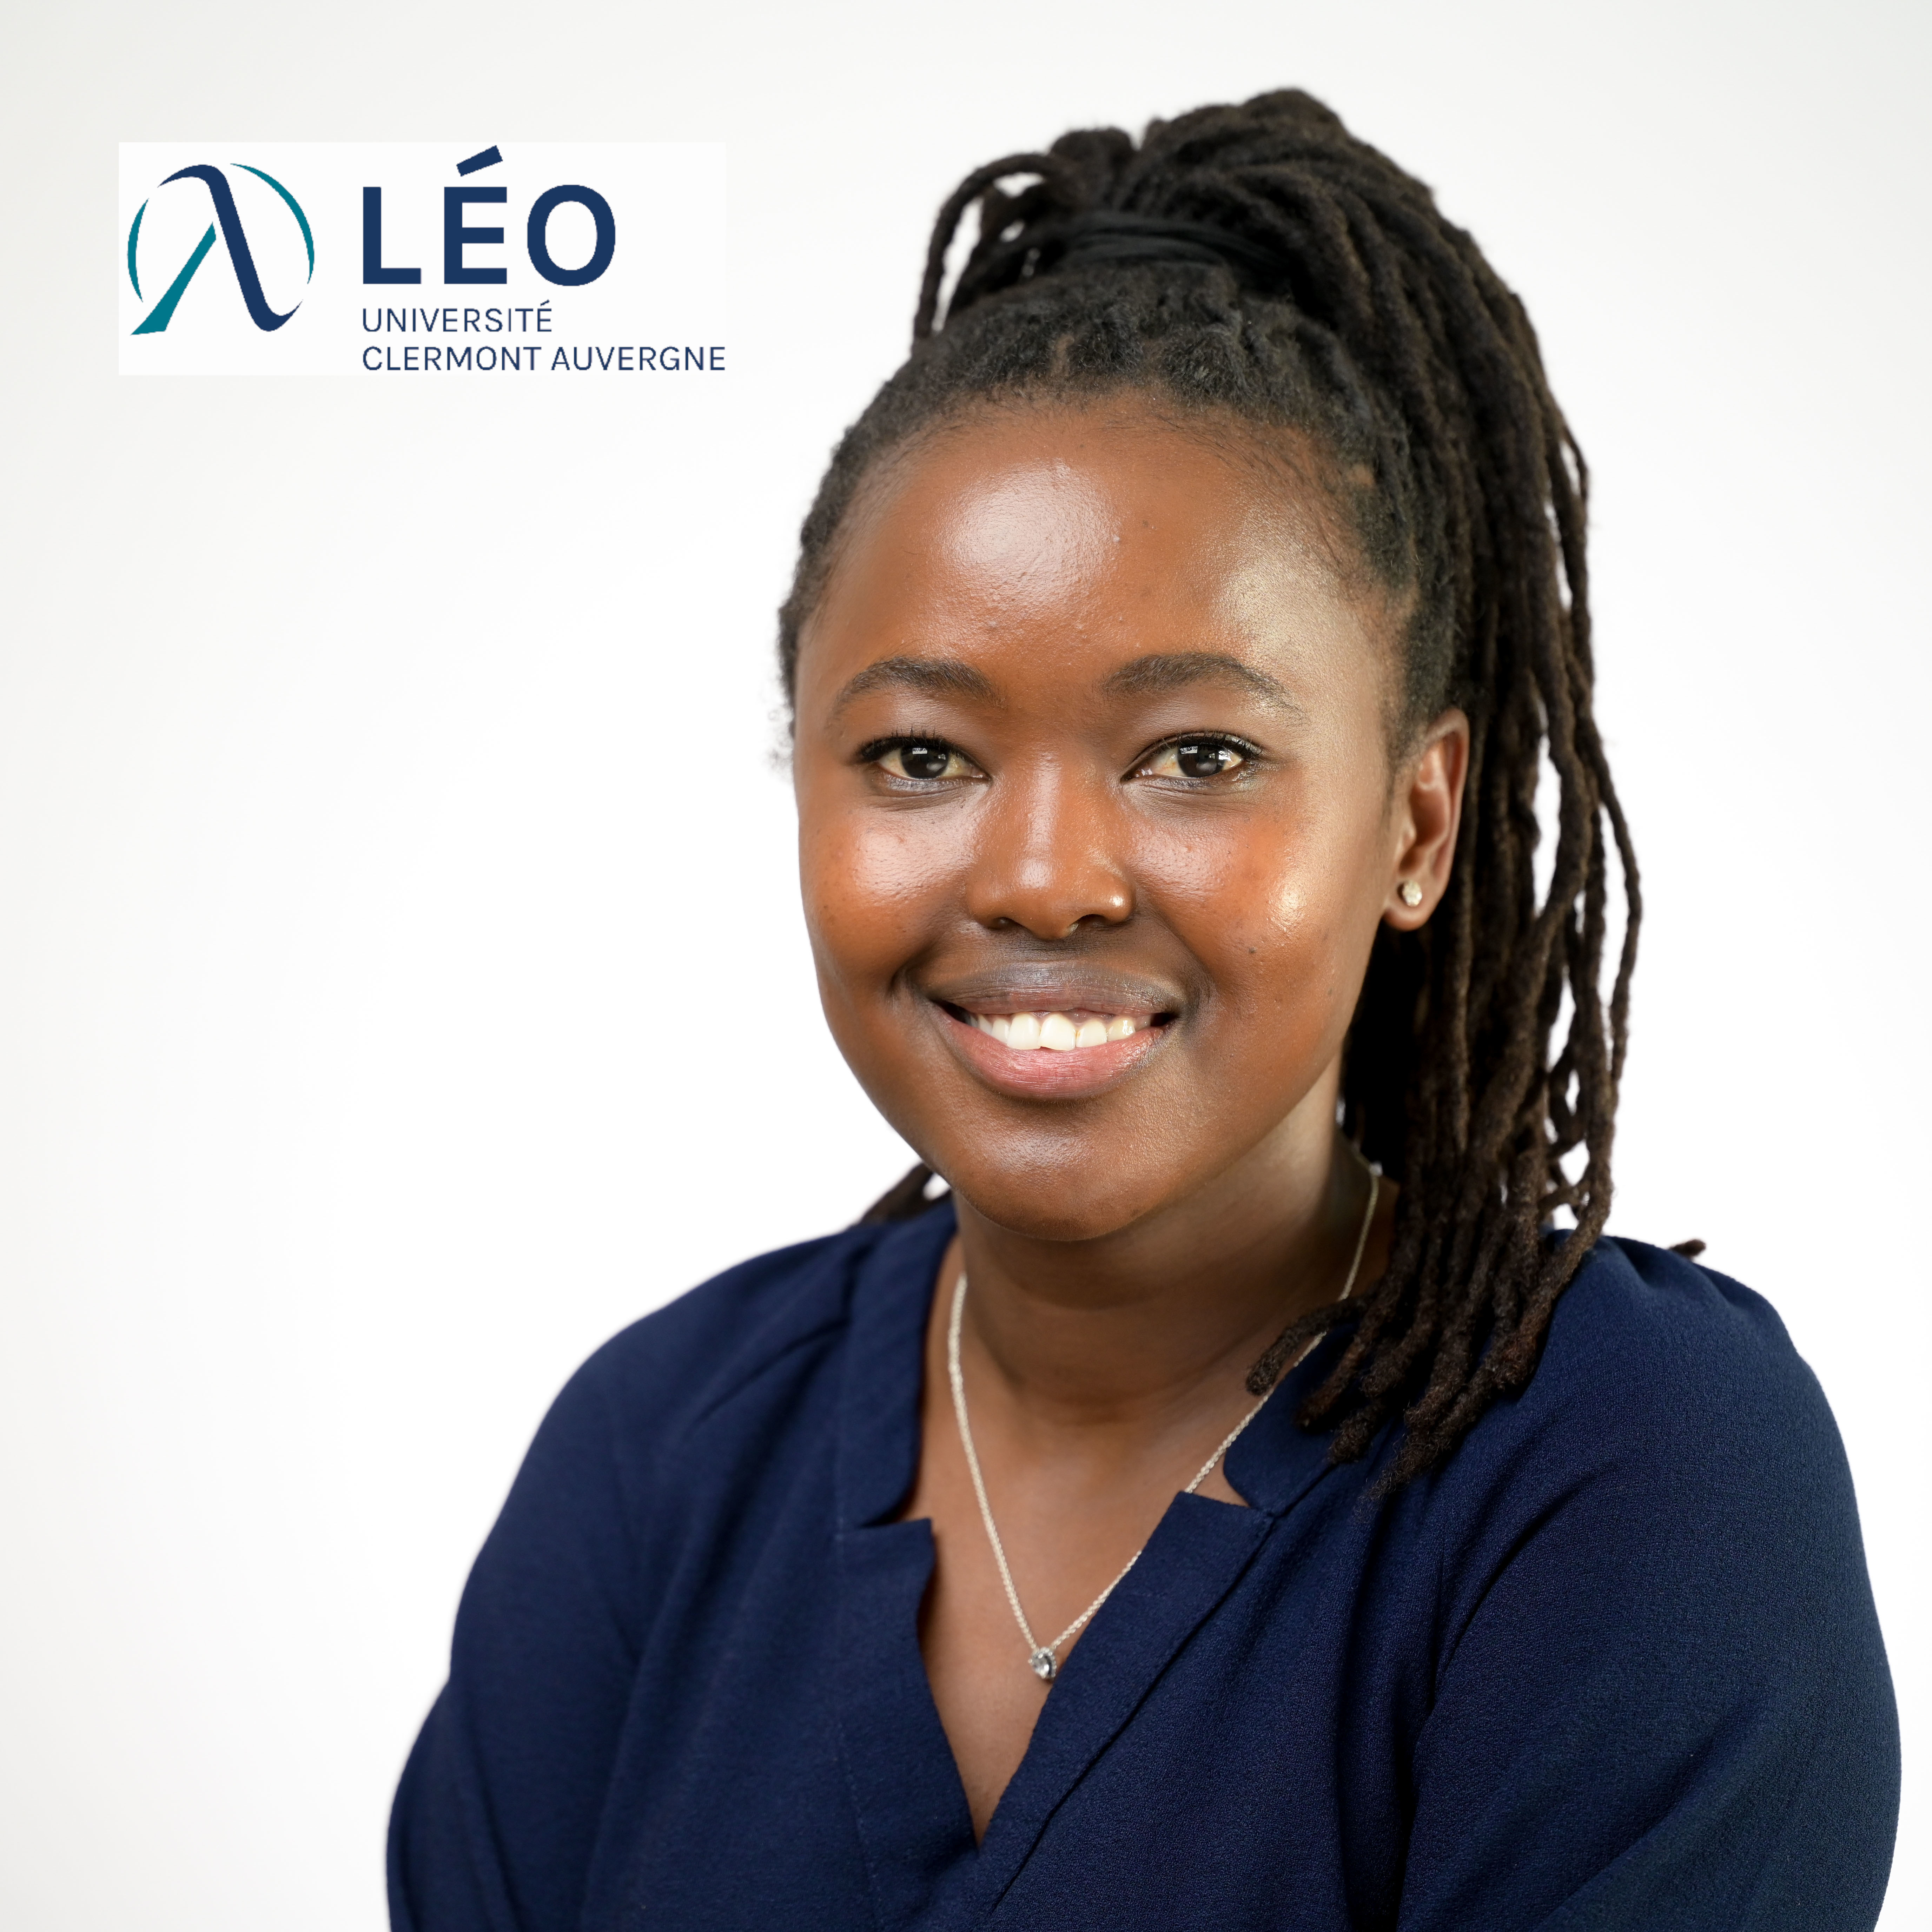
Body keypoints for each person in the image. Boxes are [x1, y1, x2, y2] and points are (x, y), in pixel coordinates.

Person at [388, 90, 1899, 1930]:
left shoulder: (1634, 1476)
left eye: (1197, 754)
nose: (1043, 877)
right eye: (922, 753)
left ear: (1416, 825)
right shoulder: (659, 1460)